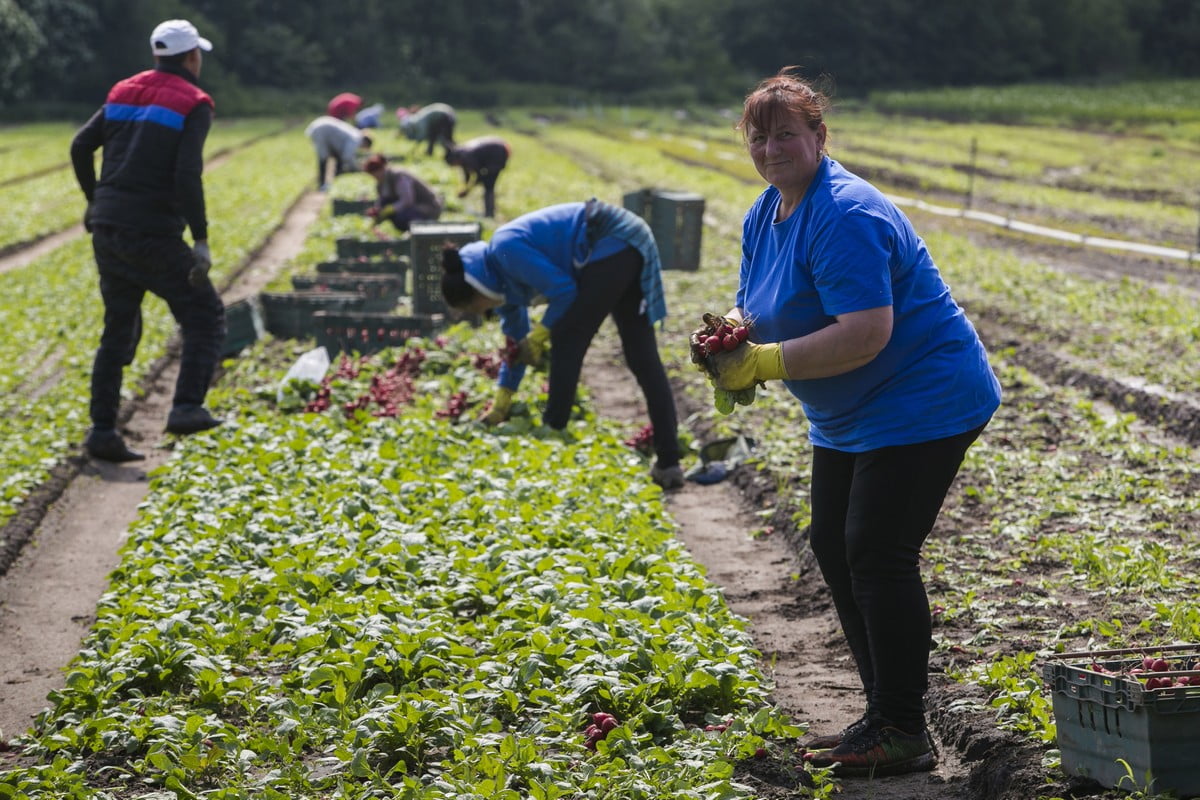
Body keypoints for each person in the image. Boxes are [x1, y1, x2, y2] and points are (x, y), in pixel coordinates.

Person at [703, 68, 1001, 777]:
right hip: (848, 411)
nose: (771, 148)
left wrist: (765, 363)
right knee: (835, 549)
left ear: (818, 136)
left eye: (786, 134)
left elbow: (866, 333)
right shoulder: (766, 211)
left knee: (876, 551)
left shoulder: (845, 215)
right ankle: (881, 715)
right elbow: (754, 303)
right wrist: (730, 338)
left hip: (923, 397)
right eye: (760, 136)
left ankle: (902, 727)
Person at [440, 199, 685, 489]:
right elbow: (516, 347)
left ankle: (553, 432)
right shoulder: (502, 289)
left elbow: (564, 290)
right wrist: (501, 404)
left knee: (568, 338)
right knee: (640, 357)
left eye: (474, 309)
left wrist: (541, 334)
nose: (480, 314)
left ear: (476, 290)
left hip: (613, 237)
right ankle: (669, 463)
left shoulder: (506, 250)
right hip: (618, 246)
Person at [70, 18, 227, 462]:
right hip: (153, 234)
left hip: (109, 231)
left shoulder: (123, 90)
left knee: (118, 329)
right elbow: (186, 174)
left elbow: (81, 146)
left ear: (159, 55)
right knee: (205, 313)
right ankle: (187, 408)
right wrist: (200, 238)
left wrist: (93, 201)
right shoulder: (194, 102)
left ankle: (102, 432)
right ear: (192, 57)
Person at [361, 153, 442, 232]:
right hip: (411, 208)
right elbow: (382, 201)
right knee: (386, 205)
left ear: (381, 169)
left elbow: (407, 200)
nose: (375, 178)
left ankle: (420, 230)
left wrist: (390, 209)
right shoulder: (381, 183)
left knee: (401, 217)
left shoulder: (398, 176)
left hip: (427, 208)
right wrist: (377, 212)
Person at [444, 136, 511, 217]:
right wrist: (465, 188)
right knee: (487, 181)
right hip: (496, 148)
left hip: (498, 154)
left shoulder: (467, 157)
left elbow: (479, 176)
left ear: (454, 161)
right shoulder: (462, 154)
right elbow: (467, 175)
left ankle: (489, 213)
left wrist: (467, 191)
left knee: (488, 184)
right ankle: (490, 211)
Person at [304, 115, 373, 191]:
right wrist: (355, 168)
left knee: (336, 158)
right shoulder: (356, 139)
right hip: (320, 130)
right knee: (323, 158)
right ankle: (322, 184)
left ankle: (333, 182)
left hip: (322, 126)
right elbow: (347, 156)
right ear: (366, 143)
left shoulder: (355, 133)